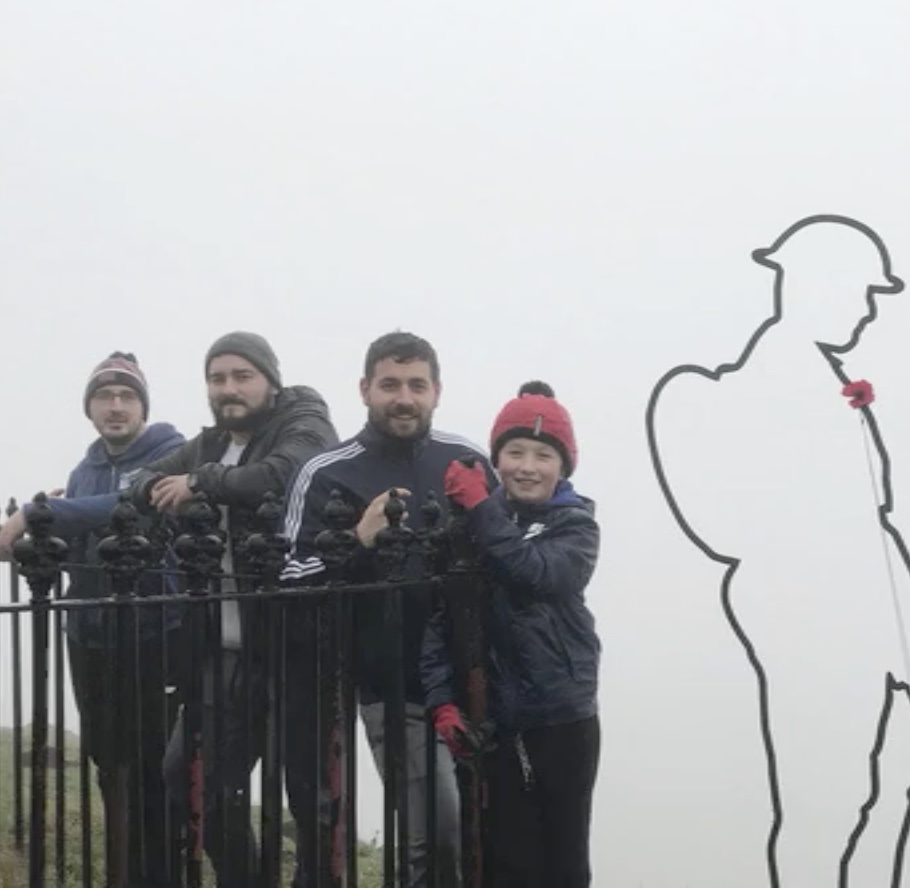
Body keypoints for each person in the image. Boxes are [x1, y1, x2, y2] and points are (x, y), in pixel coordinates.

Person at [645, 215, 910, 886]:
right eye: (859, 291)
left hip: (865, 638)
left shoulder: (824, 386)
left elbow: (871, 536)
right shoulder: (771, 391)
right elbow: (829, 543)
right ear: (813, 286)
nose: (866, 310)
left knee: (870, 803)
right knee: (827, 810)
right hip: (818, 636)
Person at [122, 331, 338, 888]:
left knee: (309, 799)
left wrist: (199, 483)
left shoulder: (303, 419)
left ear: (270, 380)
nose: (229, 389)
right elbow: (138, 482)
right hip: (223, 649)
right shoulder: (212, 442)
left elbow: (287, 472)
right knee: (194, 782)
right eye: (217, 379)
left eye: (242, 376)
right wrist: (172, 483)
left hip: (297, 646)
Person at [281, 330, 495, 888]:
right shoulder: (327, 471)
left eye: (416, 385)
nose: (404, 398)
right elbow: (288, 582)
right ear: (364, 389)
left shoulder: (467, 460)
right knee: (438, 834)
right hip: (386, 681)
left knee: (481, 841)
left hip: (470, 681)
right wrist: (359, 539)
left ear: (437, 391)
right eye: (390, 385)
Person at [0, 351, 186, 888]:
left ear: (143, 406)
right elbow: (78, 533)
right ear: (90, 408)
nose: (116, 406)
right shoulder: (83, 470)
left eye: (127, 396)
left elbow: (127, 507)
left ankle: (161, 873)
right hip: (90, 633)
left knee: (155, 764)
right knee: (108, 759)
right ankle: (125, 870)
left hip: (155, 629)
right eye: (105, 396)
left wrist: (35, 511)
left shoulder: (170, 451)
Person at [423, 380, 602, 888]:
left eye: (543, 455)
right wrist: (442, 703)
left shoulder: (576, 527)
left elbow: (536, 573)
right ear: (497, 459)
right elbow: (442, 622)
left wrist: (483, 508)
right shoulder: (473, 524)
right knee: (503, 863)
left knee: (564, 865)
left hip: (562, 720)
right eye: (515, 451)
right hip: (491, 724)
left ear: (564, 466)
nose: (528, 466)